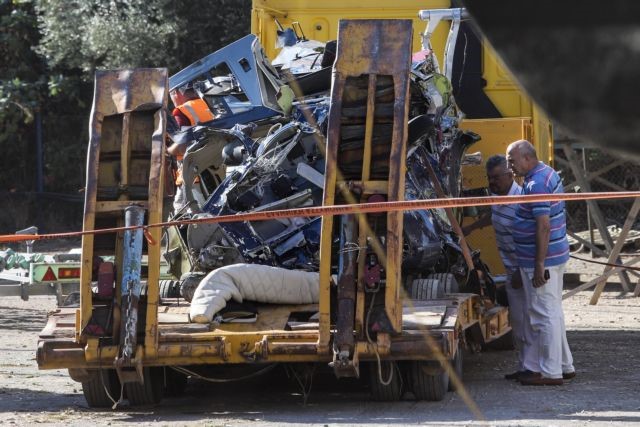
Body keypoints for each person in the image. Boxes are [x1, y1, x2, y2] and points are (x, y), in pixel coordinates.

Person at [506, 139, 576, 386]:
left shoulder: (536, 184)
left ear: (527, 158)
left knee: (542, 315)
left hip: (542, 261)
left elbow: (543, 226)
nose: (510, 167)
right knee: (553, 312)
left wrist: (538, 264)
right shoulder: (547, 174)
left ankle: (549, 371)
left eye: (512, 161)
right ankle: (564, 365)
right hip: (555, 256)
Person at [462, 155, 527, 380]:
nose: (492, 183)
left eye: (496, 178)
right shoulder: (499, 196)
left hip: (523, 269)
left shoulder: (521, 202)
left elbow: (529, 238)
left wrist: (522, 270)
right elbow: (495, 214)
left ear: (510, 175)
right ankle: (526, 365)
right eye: (489, 178)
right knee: (518, 322)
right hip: (512, 269)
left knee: (529, 320)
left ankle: (536, 367)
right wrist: (472, 228)